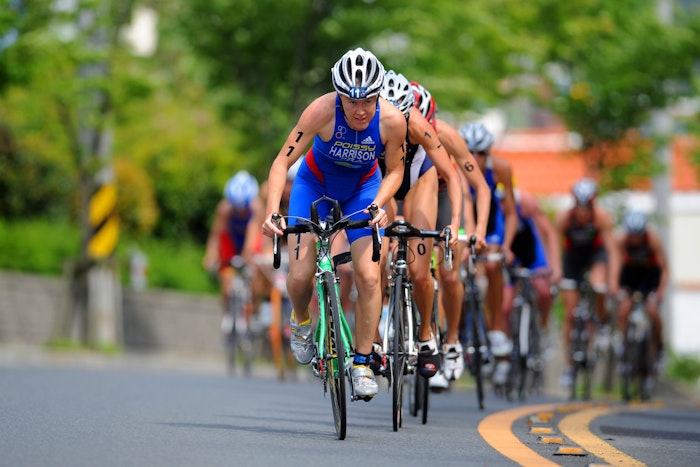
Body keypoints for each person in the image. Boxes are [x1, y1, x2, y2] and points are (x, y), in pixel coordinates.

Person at [261, 48, 407, 399]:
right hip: (314, 187)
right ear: (339, 95)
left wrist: (379, 203)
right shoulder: (321, 111)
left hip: (363, 191)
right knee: (299, 276)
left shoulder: (392, 120)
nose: (360, 110)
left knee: (369, 276)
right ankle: (300, 321)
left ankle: (362, 362)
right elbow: (281, 162)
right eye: (351, 101)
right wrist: (272, 211)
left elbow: (396, 170)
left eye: (368, 101)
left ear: (378, 95)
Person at [376, 70, 462, 380]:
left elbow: (450, 175)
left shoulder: (419, 125)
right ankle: (373, 339)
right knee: (375, 263)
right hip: (384, 181)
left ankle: (426, 335)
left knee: (419, 270)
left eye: (401, 118)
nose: (396, 125)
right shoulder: (368, 121)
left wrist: (455, 222)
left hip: (418, 182)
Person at [410, 81, 490, 385]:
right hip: (411, 193)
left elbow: (480, 187)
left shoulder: (447, 136)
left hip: (443, 195)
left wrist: (478, 230)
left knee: (449, 272)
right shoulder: (393, 128)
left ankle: (452, 340)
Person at [555, 177, 620, 388]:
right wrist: (556, 271)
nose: (582, 212)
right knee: (570, 314)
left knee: (597, 284)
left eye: (586, 207)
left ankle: (601, 321)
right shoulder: (564, 218)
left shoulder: (601, 218)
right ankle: (569, 365)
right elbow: (555, 248)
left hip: (595, 256)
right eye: (579, 207)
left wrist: (613, 281)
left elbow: (612, 252)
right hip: (572, 258)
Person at [458, 123, 518, 342]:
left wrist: (506, 246)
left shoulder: (501, 169)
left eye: (481, 153)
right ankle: (455, 329)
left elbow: (510, 213)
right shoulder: (455, 168)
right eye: (469, 152)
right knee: (456, 266)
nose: (475, 158)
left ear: (489, 152)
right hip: (463, 221)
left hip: (490, 224)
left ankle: (496, 327)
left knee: (493, 265)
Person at [203, 170, 264, 334]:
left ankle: (255, 311)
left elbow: (254, 232)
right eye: (237, 208)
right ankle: (227, 312)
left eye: (243, 208)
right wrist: (211, 255)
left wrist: (250, 254)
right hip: (231, 241)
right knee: (226, 278)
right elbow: (216, 234)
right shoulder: (224, 208)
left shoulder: (257, 207)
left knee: (255, 274)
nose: (240, 212)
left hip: (250, 240)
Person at [503, 187, 562, 333]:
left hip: (531, 253)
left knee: (544, 291)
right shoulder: (490, 199)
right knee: (506, 307)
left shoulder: (525, 200)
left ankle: (544, 324)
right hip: (508, 256)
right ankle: (506, 340)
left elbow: (549, 233)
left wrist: (555, 266)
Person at [615, 210, 668, 364]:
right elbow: (615, 266)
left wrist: (660, 291)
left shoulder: (653, 241)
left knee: (652, 311)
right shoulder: (622, 241)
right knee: (623, 310)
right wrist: (616, 288)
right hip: (630, 277)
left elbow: (664, 270)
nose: (635, 239)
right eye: (632, 235)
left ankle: (659, 347)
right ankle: (624, 344)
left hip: (650, 278)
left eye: (638, 235)